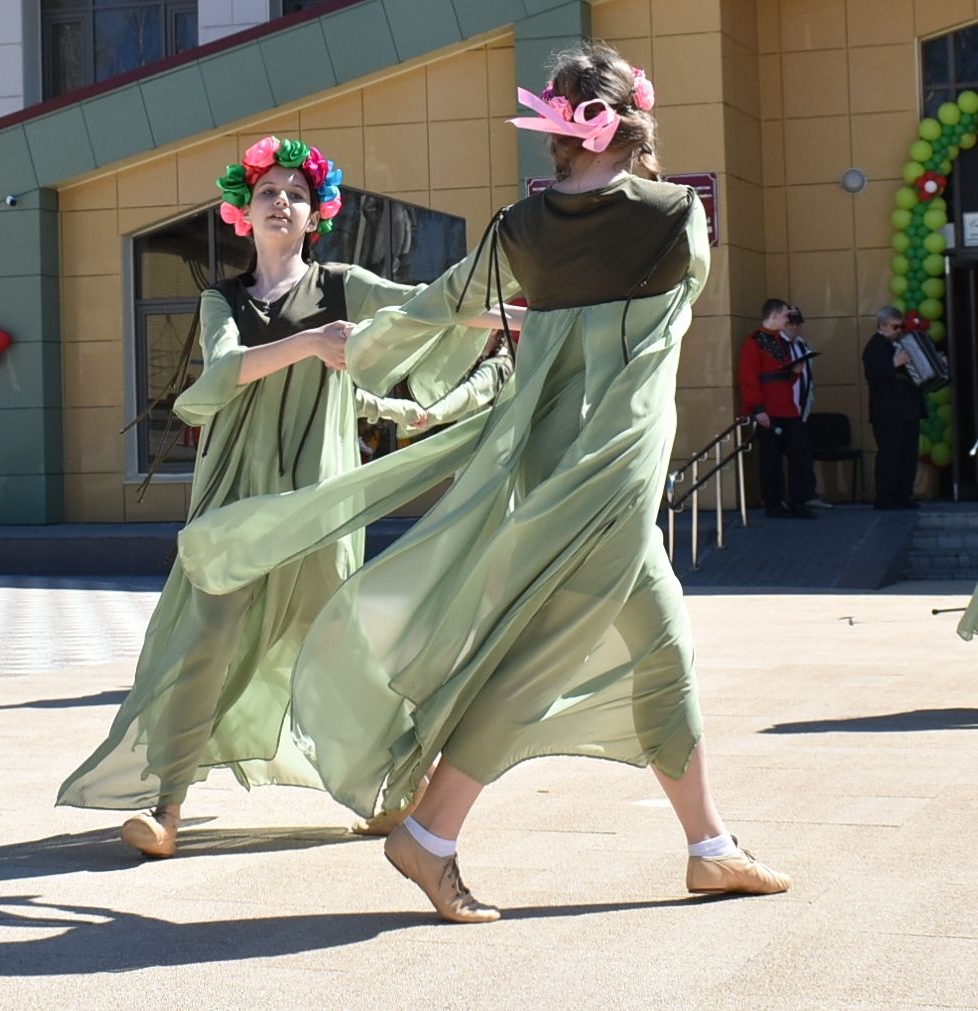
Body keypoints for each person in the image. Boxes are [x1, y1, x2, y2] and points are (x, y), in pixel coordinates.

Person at [177, 41, 790, 921]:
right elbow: (668, 312)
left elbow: (439, 307)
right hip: (613, 467)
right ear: (627, 123)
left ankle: (711, 846)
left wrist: (366, 354)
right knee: (538, 656)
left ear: (562, 128)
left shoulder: (519, 229)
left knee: (662, 647)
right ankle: (428, 835)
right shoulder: (673, 215)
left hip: (545, 462)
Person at [56, 136, 512, 857]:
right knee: (204, 640)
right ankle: (166, 804)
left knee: (343, 639)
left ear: (314, 215)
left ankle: (391, 792)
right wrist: (312, 342)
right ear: (244, 210)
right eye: (267, 191)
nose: (280, 201)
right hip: (237, 494)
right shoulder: (223, 299)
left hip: (319, 491)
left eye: (295, 194)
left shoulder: (342, 285)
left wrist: (509, 319)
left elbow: (424, 309)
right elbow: (221, 376)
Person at [738, 298, 815, 519]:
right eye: (784, 315)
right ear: (773, 316)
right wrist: (758, 409)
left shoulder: (781, 343)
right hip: (769, 411)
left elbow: (782, 379)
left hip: (789, 409)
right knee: (771, 460)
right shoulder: (754, 342)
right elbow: (749, 378)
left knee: (800, 456)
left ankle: (798, 501)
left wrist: (795, 372)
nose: (787, 320)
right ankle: (774, 504)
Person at [862, 305, 926, 510]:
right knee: (890, 454)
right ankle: (885, 496)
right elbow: (873, 374)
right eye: (895, 327)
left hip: (907, 410)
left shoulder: (899, 344)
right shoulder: (875, 346)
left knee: (908, 454)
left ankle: (903, 494)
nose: (899, 331)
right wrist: (894, 363)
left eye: (901, 327)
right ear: (882, 325)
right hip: (888, 413)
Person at [783, 305, 831, 508]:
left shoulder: (802, 345)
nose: (794, 327)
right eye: (790, 323)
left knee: (803, 454)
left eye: (797, 324)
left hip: (801, 410)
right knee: (791, 455)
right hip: (783, 411)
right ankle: (793, 499)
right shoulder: (778, 345)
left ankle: (808, 495)